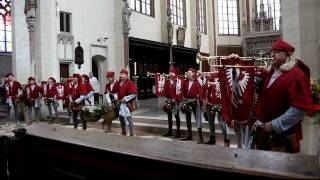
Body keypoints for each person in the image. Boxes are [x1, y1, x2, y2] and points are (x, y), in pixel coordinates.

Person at [255, 39, 313, 153]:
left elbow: (299, 109)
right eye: (272, 51)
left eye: (277, 52)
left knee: (282, 168)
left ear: (287, 54)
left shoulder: (297, 75)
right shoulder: (268, 73)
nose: (272, 55)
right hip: (264, 133)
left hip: (283, 135)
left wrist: (275, 124)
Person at [203, 72, 230, 146]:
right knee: (210, 122)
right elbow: (205, 89)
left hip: (220, 102)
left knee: (222, 123)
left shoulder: (224, 76)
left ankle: (226, 139)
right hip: (210, 102)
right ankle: (212, 138)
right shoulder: (209, 76)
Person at [182, 68, 204, 143]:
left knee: (197, 119)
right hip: (187, 101)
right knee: (187, 119)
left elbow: (201, 91)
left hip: (195, 102)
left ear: (194, 74)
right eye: (187, 73)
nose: (187, 74)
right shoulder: (185, 82)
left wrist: (197, 97)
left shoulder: (197, 82)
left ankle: (201, 137)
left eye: (189, 73)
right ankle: (189, 135)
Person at [162, 67, 182, 138]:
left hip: (175, 100)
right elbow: (165, 90)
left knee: (176, 116)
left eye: (172, 72)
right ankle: (169, 131)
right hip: (169, 100)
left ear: (175, 74)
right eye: (170, 72)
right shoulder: (167, 81)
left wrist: (176, 99)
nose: (170, 73)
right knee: (169, 116)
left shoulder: (178, 81)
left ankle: (178, 132)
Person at [118, 69, 138, 136]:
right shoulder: (119, 83)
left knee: (129, 118)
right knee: (121, 118)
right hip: (121, 103)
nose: (121, 75)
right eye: (120, 74)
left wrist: (125, 99)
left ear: (126, 75)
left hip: (127, 103)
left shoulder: (129, 83)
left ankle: (132, 132)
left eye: (122, 74)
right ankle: (123, 131)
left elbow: (134, 93)